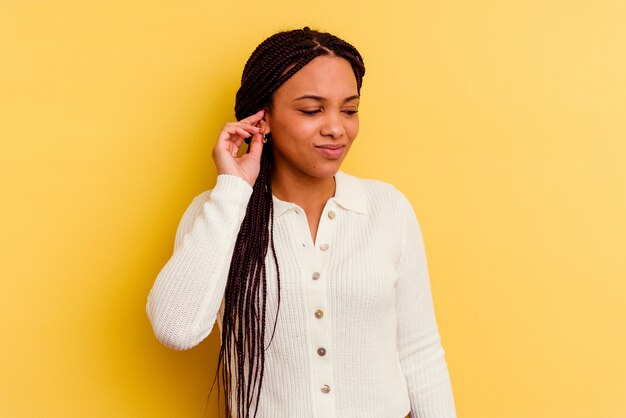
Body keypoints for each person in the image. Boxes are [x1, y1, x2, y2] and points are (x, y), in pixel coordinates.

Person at [146, 27, 457, 418]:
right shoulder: (219, 212)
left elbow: (420, 352)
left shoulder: (387, 209)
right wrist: (232, 190)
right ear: (263, 118)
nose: (336, 128)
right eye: (312, 110)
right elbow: (176, 329)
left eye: (349, 109)